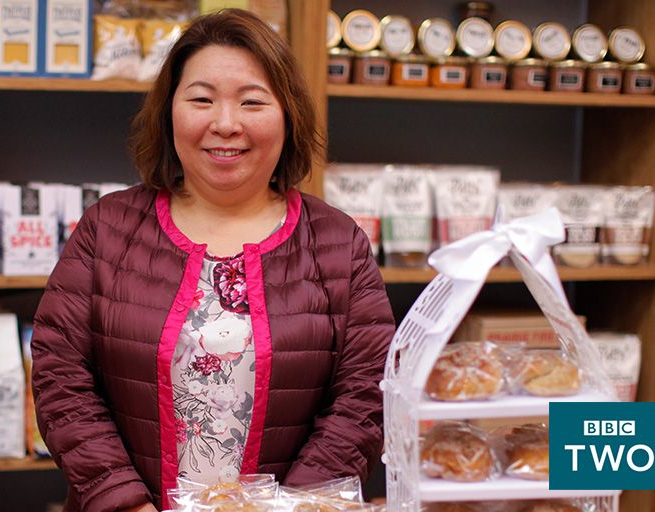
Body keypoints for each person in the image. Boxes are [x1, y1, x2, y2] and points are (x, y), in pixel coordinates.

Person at [32, 9, 394, 512]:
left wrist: (291, 506)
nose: (225, 124)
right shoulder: (108, 228)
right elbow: (60, 374)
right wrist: (122, 501)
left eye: (252, 102)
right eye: (201, 100)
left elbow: (364, 397)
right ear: (170, 112)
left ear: (288, 116)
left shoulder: (337, 243)